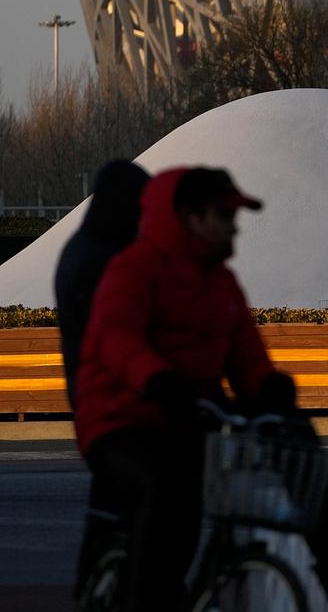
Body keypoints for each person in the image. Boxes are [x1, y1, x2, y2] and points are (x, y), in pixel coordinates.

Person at [75, 167, 328, 611]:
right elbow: (116, 337)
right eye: (224, 215)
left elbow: (246, 355)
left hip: (190, 410)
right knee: (165, 492)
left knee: (291, 431)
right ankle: (141, 600)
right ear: (191, 217)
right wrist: (156, 378)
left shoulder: (221, 282)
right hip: (121, 417)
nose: (234, 225)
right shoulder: (135, 269)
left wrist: (268, 386)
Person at [52, 159, 149, 602]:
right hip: (106, 404)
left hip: (110, 401)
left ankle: (99, 580)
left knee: (115, 505)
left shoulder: (93, 248)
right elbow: (116, 337)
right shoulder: (98, 260)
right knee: (142, 494)